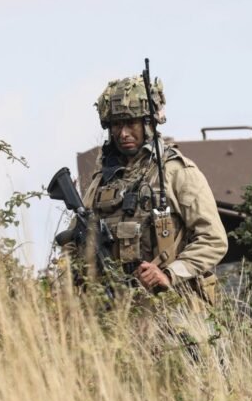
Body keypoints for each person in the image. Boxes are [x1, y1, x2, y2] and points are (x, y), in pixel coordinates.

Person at [74, 75, 228, 300]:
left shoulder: (177, 172)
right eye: (116, 125)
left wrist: (169, 273)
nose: (123, 133)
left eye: (131, 123)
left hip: (173, 303)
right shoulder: (103, 179)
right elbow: (74, 238)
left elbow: (214, 240)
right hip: (115, 305)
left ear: (149, 123)